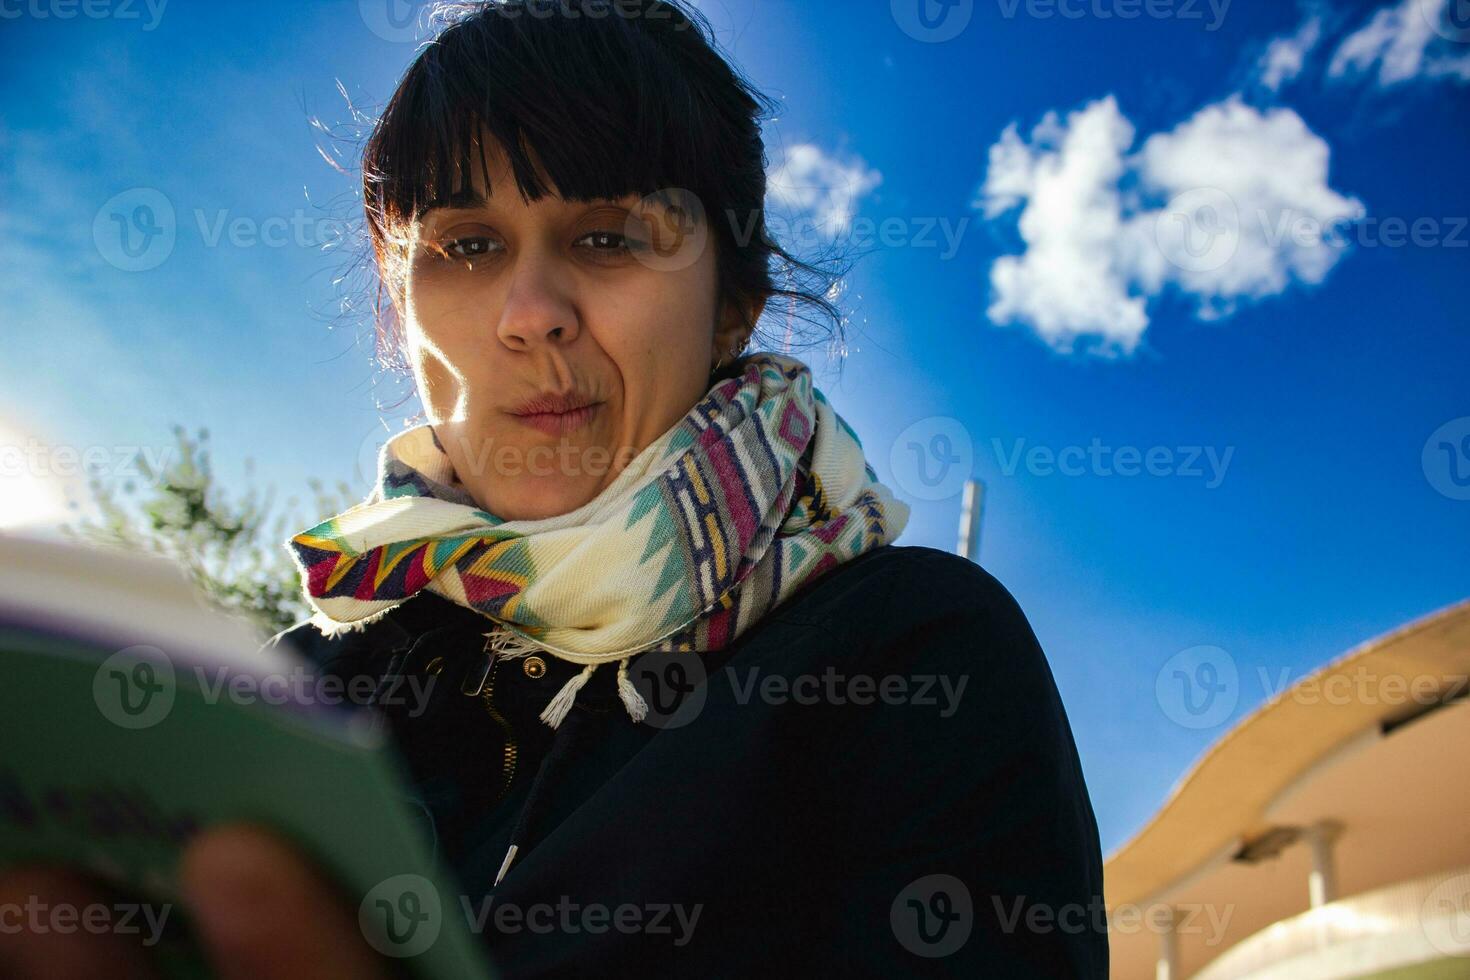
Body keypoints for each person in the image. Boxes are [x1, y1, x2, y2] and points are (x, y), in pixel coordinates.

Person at [0, 2, 1107, 977]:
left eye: (608, 235)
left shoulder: (911, 654)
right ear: (400, 321)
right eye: (468, 244)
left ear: (735, 303)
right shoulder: (287, 701)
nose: (531, 309)